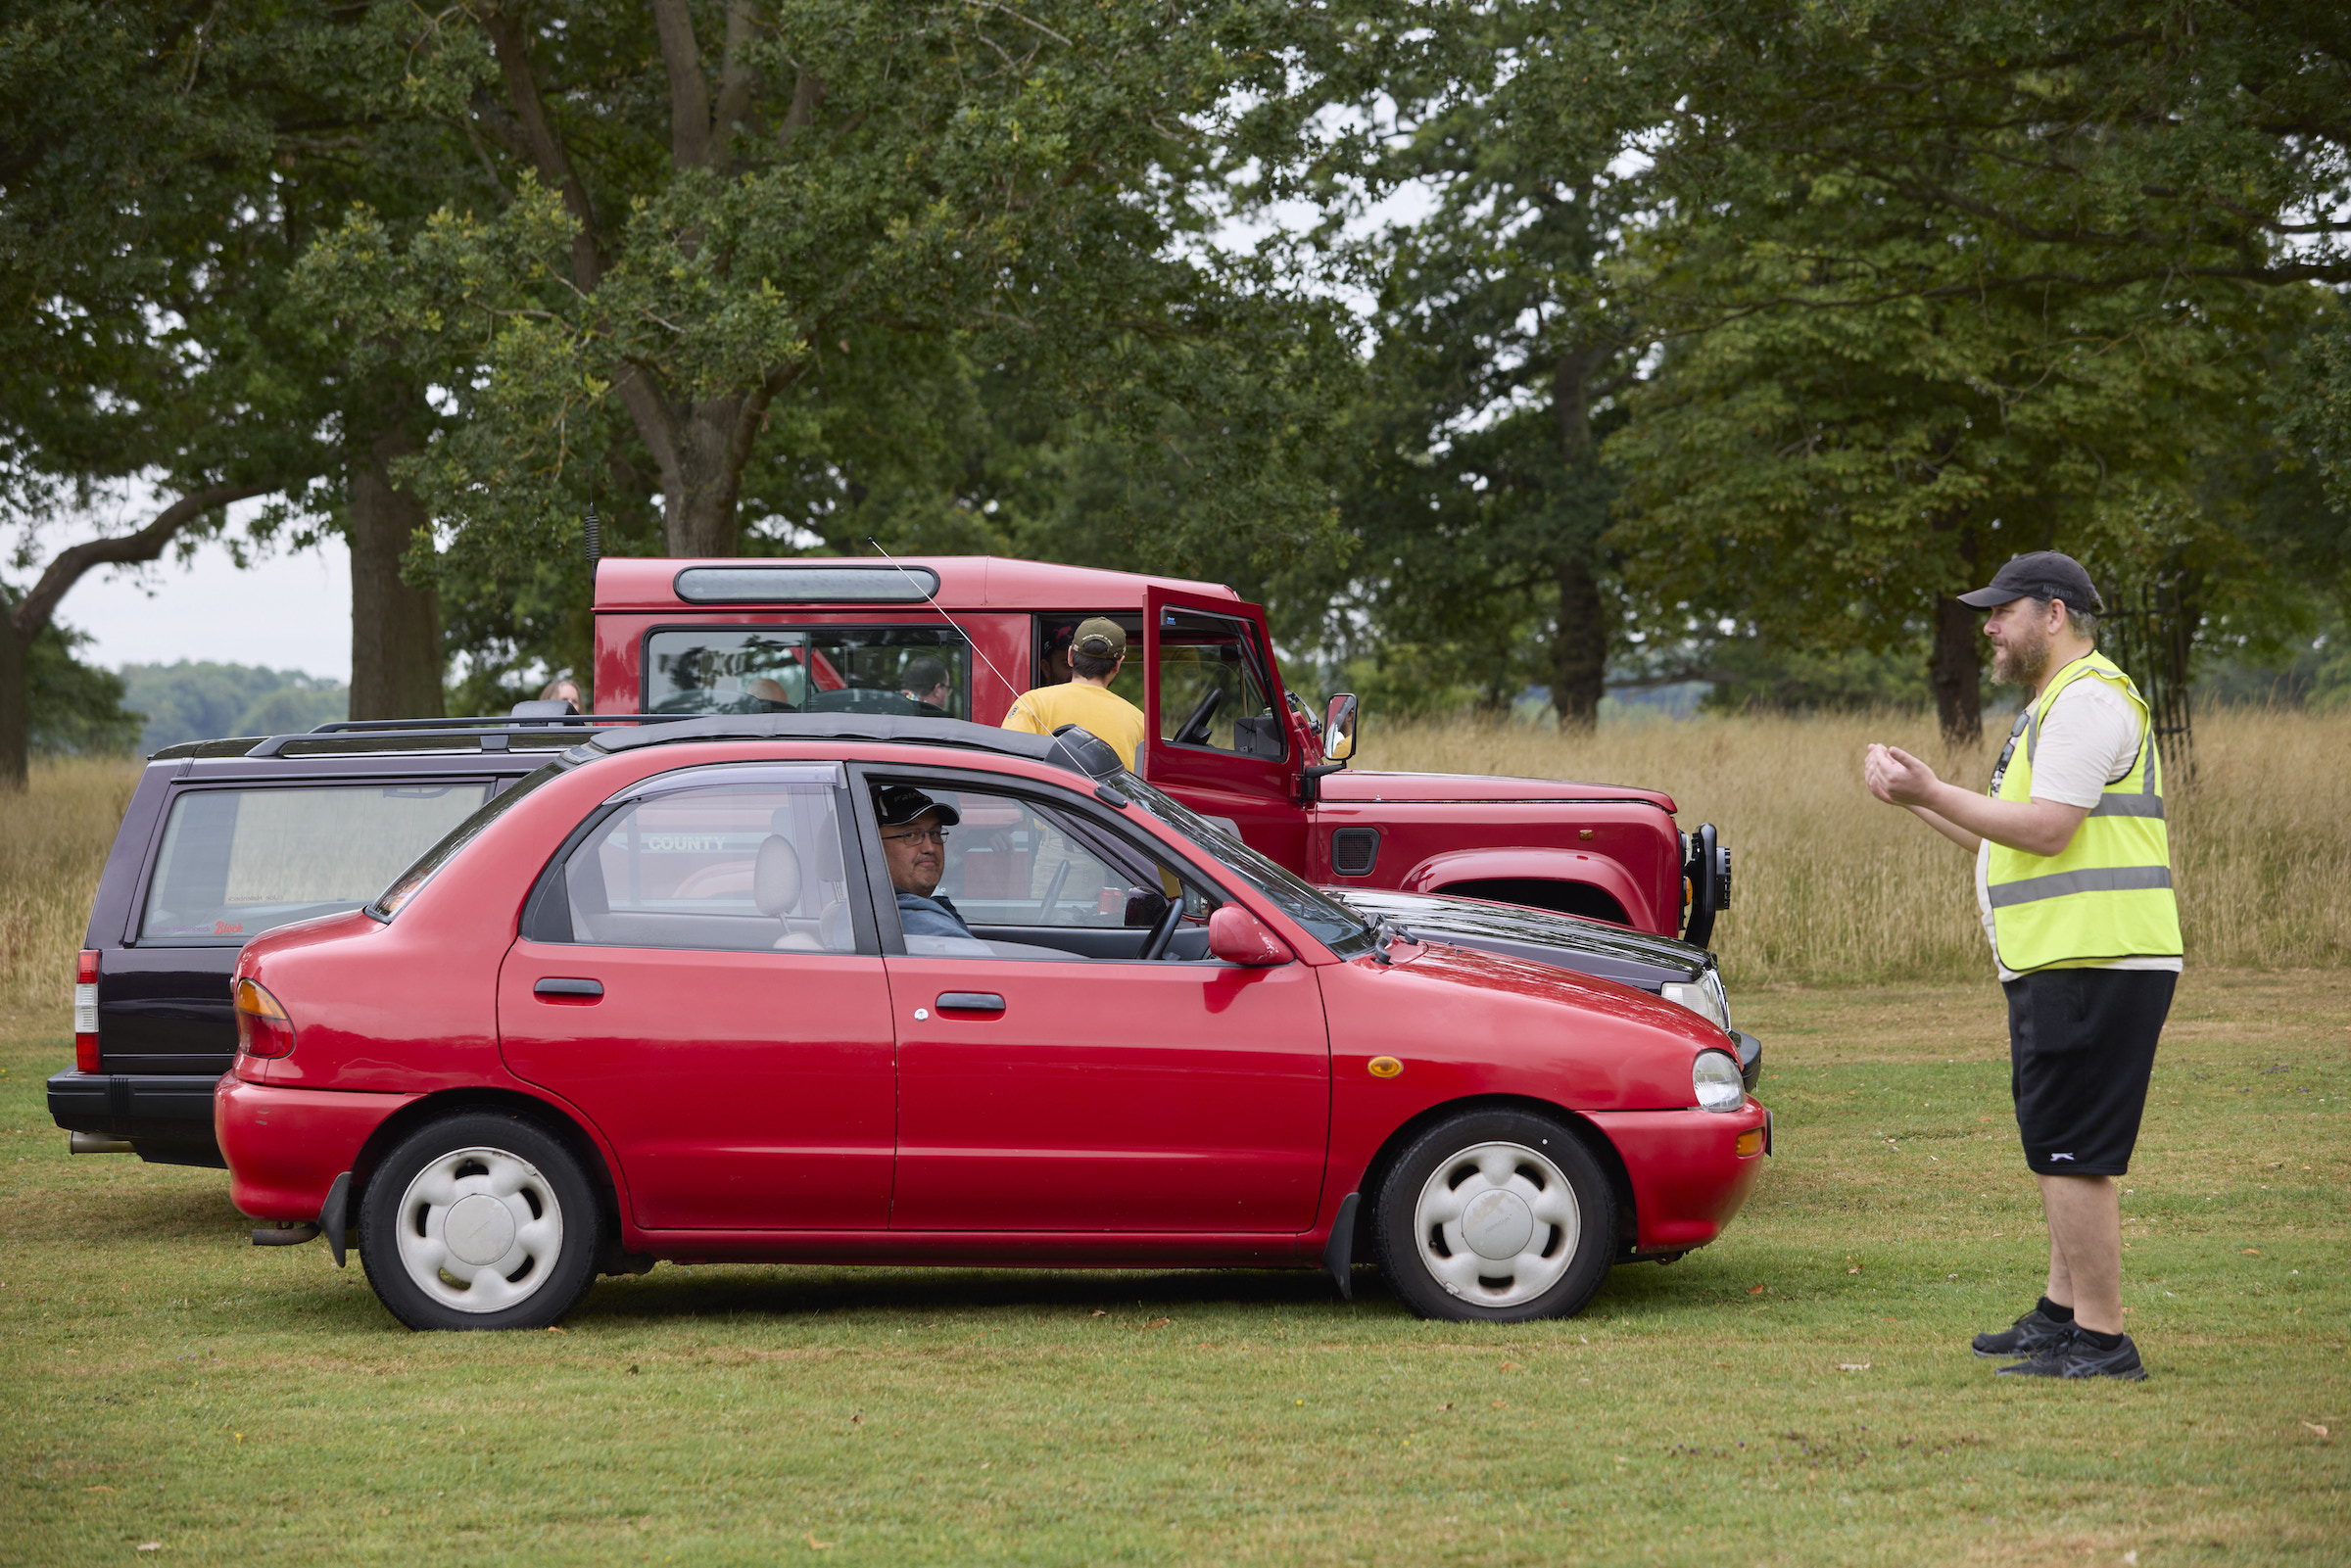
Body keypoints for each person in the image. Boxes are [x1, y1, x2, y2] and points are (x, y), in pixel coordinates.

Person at [1863, 550, 2181, 1383]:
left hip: (2094, 957)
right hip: (2067, 957)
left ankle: (2104, 1341)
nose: (1991, 628)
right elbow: (1999, 833)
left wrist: (1932, 789)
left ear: (2054, 612)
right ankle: (2062, 1314)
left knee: (2074, 1149)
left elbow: (2046, 830)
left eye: (2003, 612)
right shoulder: (2055, 706)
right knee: (2057, 1144)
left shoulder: (2083, 704)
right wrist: (1920, 800)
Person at [1001, 616, 1147, 770]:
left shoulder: (1031, 703)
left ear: (1070, 656)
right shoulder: (1139, 722)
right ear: (1117, 665)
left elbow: (1009, 769)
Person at [874, 784, 976, 939]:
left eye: (935, 833)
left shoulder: (864, 911)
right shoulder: (920, 926)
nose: (930, 847)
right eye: (910, 835)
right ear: (874, 845)